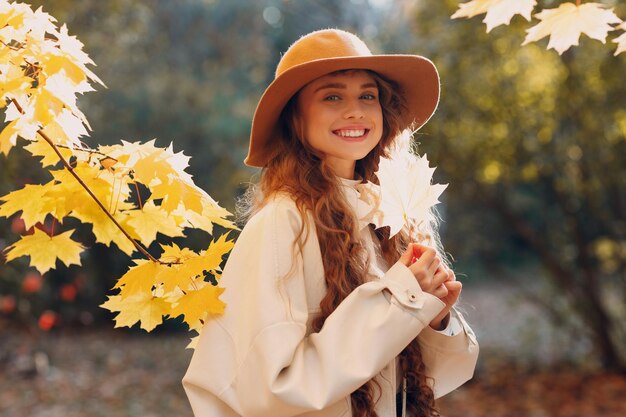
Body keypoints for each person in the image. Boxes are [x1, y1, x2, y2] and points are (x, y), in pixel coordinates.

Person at [183, 29, 479, 417]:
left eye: (367, 96)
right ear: (295, 117)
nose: (355, 110)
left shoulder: (388, 214)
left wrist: (434, 318)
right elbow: (272, 387)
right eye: (332, 96)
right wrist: (400, 299)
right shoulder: (282, 223)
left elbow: (404, 376)